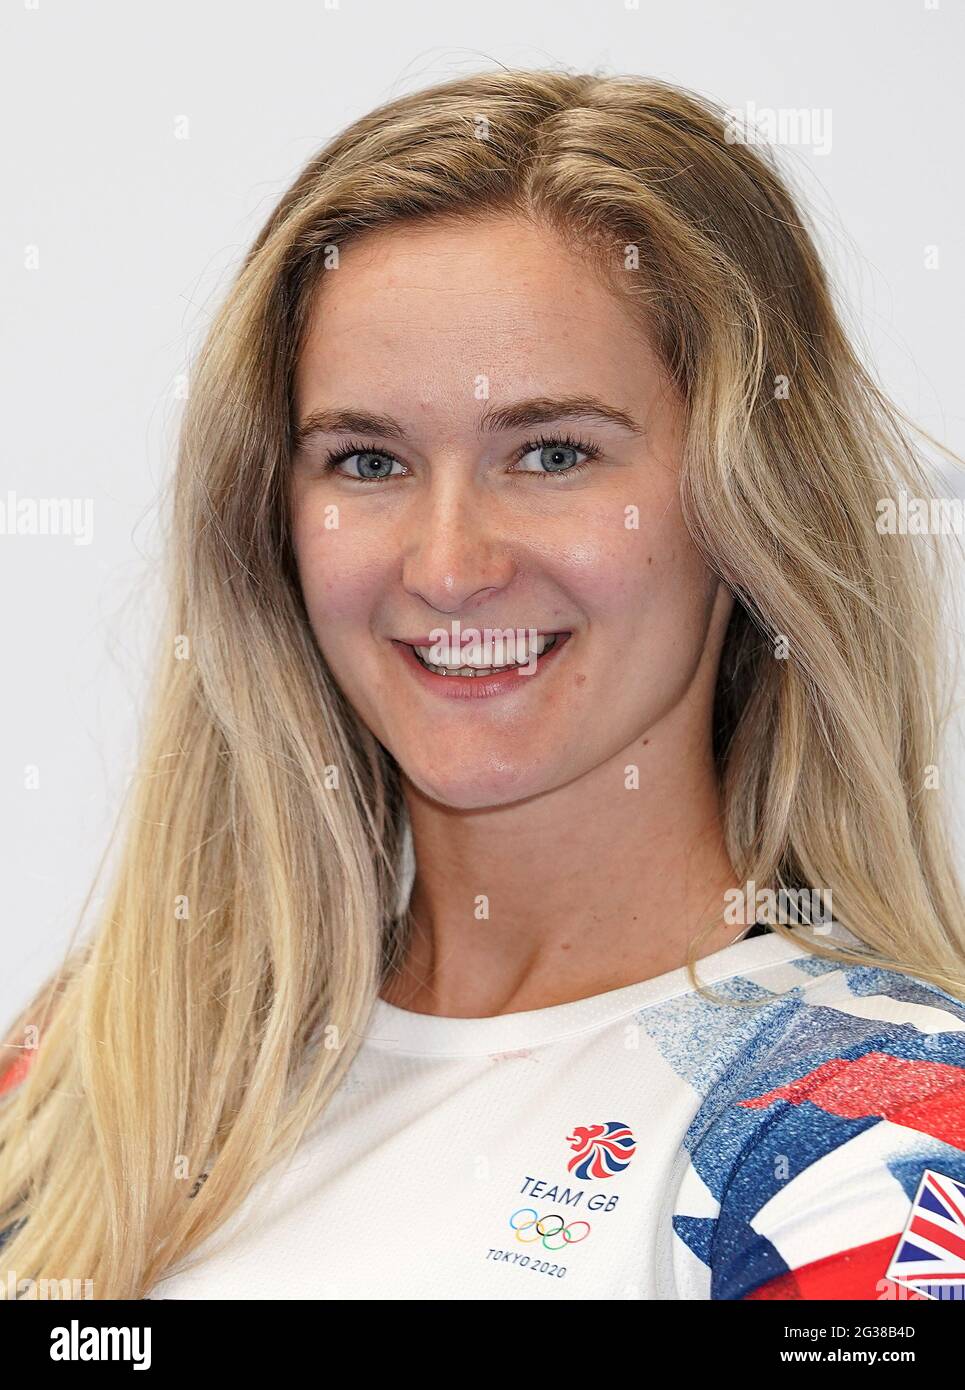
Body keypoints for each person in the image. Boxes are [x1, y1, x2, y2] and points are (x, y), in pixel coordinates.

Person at [1, 68, 964, 1302]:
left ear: (743, 499)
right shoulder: (92, 1082)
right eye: (367, 459)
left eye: (551, 452)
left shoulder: (866, 1132)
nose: (449, 566)